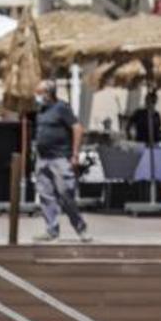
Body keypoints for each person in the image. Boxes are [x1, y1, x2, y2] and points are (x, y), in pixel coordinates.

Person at [32, 80, 91, 243]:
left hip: (60, 158)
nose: (36, 96)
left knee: (66, 194)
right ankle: (51, 230)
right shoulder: (41, 110)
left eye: (39, 93)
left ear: (48, 93)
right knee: (45, 195)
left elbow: (77, 128)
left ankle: (81, 228)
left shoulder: (62, 108)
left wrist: (75, 154)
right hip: (43, 158)